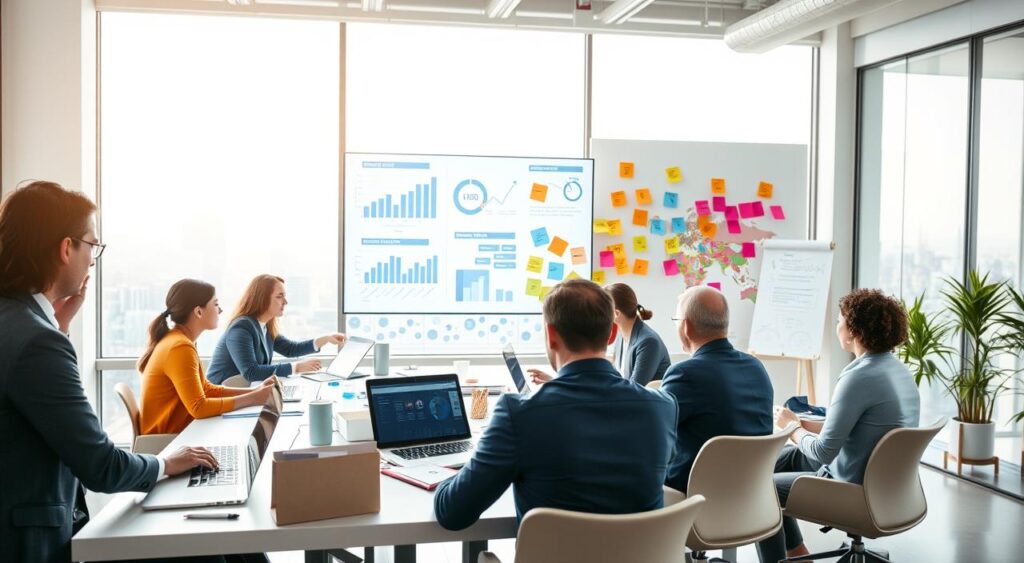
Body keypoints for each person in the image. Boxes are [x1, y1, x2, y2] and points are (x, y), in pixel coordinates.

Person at [0, 181, 217, 563]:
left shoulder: (18, 323)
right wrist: (168, 462)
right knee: (209, 550)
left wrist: (57, 325)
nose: (94, 259)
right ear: (66, 248)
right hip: (29, 544)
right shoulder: (37, 343)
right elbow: (101, 466)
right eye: (92, 245)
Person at [433, 279, 679, 530]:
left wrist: (452, 471)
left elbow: (452, 513)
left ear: (551, 335)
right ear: (612, 333)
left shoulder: (518, 414)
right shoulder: (663, 407)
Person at [757, 289, 920, 563]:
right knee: (765, 464)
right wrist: (805, 424)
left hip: (851, 489)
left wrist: (793, 429)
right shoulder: (898, 370)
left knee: (760, 488)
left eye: (839, 321)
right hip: (885, 484)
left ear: (854, 330)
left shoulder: (858, 377)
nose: (837, 326)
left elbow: (823, 453)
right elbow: (861, 428)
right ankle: (798, 553)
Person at [662, 286, 774, 493]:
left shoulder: (685, 374)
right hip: (749, 494)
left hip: (692, 495)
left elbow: (654, 430)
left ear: (685, 327)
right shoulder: (756, 367)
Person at [138, 279, 279, 435]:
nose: (220, 310)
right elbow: (199, 407)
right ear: (199, 312)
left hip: (182, 432)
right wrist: (253, 398)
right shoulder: (179, 347)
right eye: (216, 304)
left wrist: (254, 392)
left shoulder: (180, 341)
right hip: (169, 439)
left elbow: (206, 389)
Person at [206, 274, 346, 384]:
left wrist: (325, 339)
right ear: (262, 299)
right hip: (221, 396)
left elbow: (291, 349)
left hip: (243, 392)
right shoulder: (241, 328)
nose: (285, 302)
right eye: (280, 296)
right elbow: (251, 372)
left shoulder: (265, 326)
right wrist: (296, 367)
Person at [606, 283, 671, 385]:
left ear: (616, 314)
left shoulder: (648, 342)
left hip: (645, 400)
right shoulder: (621, 336)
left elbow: (635, 387)